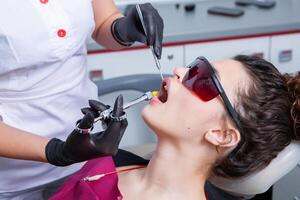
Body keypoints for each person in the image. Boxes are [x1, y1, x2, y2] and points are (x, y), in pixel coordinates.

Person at [50, 55, 300, 200]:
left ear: (221, 134)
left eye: (203, 80)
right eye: (193, 66)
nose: (180, 71)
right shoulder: (115, 162)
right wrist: (61, 153)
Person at [0, 0, 163, 199]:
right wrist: (57, 152)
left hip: (86, 162)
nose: (180, 73)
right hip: (12, 181)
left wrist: (122, 29)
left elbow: (103, 20)